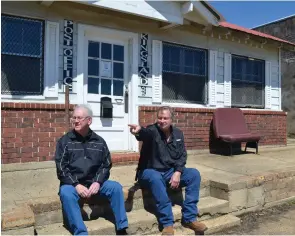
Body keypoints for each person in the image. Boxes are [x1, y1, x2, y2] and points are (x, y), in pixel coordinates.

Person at [128, 106, 207, 235]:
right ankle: (167, 223)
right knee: (155, 178)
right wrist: (138, 131)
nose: (162, 121)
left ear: (172, 120)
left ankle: (189, 218)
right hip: (149, 171)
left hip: (169, 171)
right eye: (159, 118)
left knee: (194, 174)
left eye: (165, 118)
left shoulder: (178, 133)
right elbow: (144, 133)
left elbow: (182, 156)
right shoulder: (152, 131)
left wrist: (178, 172)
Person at [55, 104, 128, 235]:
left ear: (89, 121)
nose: (75, 121)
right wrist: (76, 185)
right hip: (72, 185)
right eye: (74, 118)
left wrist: (98, 182)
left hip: (94, 183)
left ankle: (122, 227)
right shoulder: (65, 141)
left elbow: (106, 165)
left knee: (116, 187)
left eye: (79, 118)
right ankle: (81, 233)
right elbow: (61, 168)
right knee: (66, 193)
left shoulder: (99, 142)